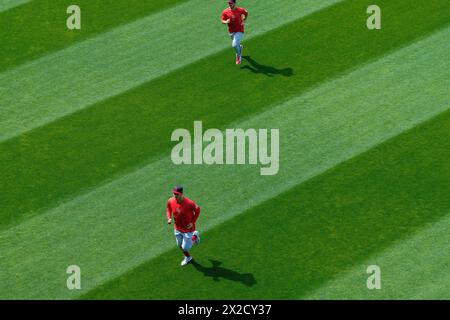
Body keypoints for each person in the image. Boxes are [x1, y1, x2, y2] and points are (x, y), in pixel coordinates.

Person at [166, 185, 201, 266]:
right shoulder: (170, 200)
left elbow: (198, 210)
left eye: (177, 194)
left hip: (188, 229)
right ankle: (188, 257)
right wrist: (169, 218)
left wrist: (193, 222)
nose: (175, 195)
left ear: (181, 194)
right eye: (174, 193)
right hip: (177, 228)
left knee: (186, 247)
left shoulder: (189, 203)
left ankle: (195, 236)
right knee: (179, 245)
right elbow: (168, 208)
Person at [221, 0, 249, 65]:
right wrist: (226, 22)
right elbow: (222, 20)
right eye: (228, 3)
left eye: (231, 3)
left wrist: (244, 21)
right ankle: (240, 48)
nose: (229, 4)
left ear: (234, 3)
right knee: (236, 45)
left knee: (234, 45)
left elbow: (246, 13)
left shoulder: (240, 10)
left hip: (239, 30)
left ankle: (238, 56)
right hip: (231, 31)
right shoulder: (225, 12)